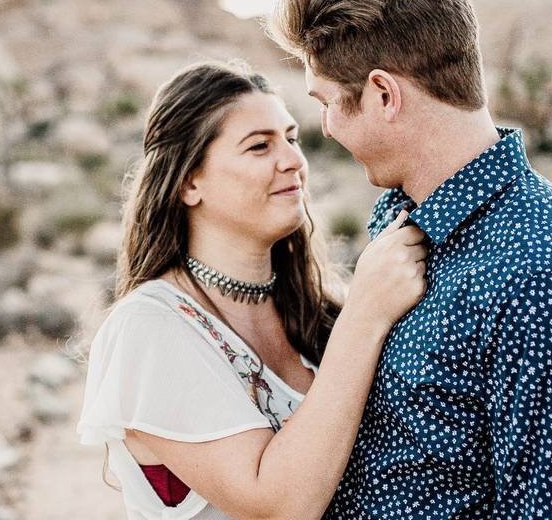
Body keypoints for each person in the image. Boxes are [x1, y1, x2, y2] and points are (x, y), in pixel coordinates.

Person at [267, 0, 552, 519]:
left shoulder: (550, 274)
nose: (324, 129)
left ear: (383, 95)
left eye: (328, 103)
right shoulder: (402, 212)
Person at [77, 60, 428, 520]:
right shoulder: (148, 330)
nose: (293, 162)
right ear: (189, 181)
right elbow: (278, 505)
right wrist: (366, 316)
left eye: (292, 138)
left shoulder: (311, 307)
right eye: (260, 146)